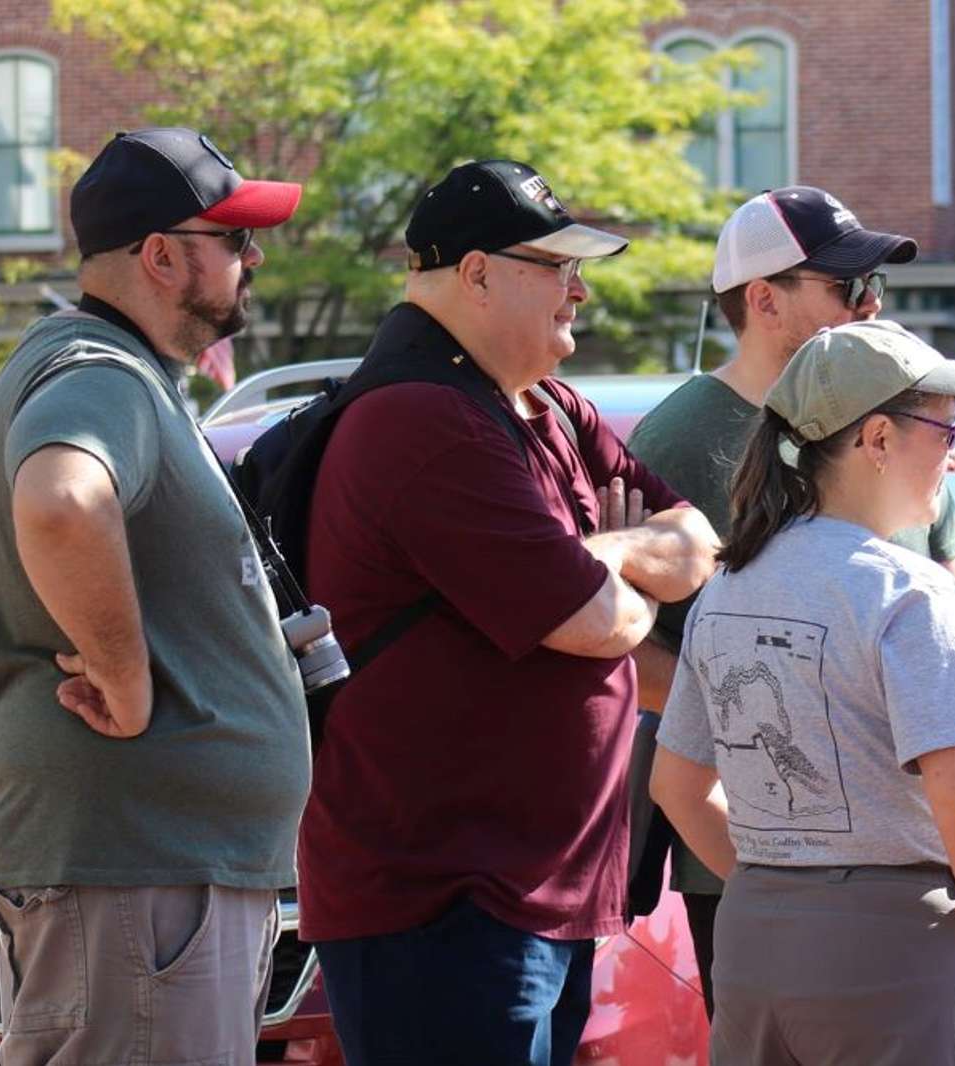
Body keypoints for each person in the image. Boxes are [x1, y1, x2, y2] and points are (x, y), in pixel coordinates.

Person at [294, 160, 719, 1066]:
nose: (582, 289)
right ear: (476, 272)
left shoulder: (551, 407)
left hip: (531, 897)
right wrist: (615, 569)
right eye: (556, 266)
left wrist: (610, 558)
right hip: (449, 907)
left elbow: (695, 541)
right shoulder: (421, 420)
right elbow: (601, 623)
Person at [0, 127, 308, 1064]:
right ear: (160, 256)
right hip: (140, 885)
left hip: (150, 883)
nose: (255, 257)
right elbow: (61, 501)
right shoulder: (101, 372)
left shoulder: (114, 374)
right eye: (234, 238)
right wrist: (126, 682)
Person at [622, 185, 955, 1014]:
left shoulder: (904, 419)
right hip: (753, 855)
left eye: (876, 284)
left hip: (920, 845)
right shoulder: (671, 443)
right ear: (764, 299)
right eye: (849, 287)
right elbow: (626, 645)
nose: (873, 303)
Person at [652, 319, 955, 1065]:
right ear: (878, 439)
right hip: (899, 952)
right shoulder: (907, 590)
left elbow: (678, 786)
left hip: (756, 944)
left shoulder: (728, 584)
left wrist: (788, 886)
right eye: (947, 435)